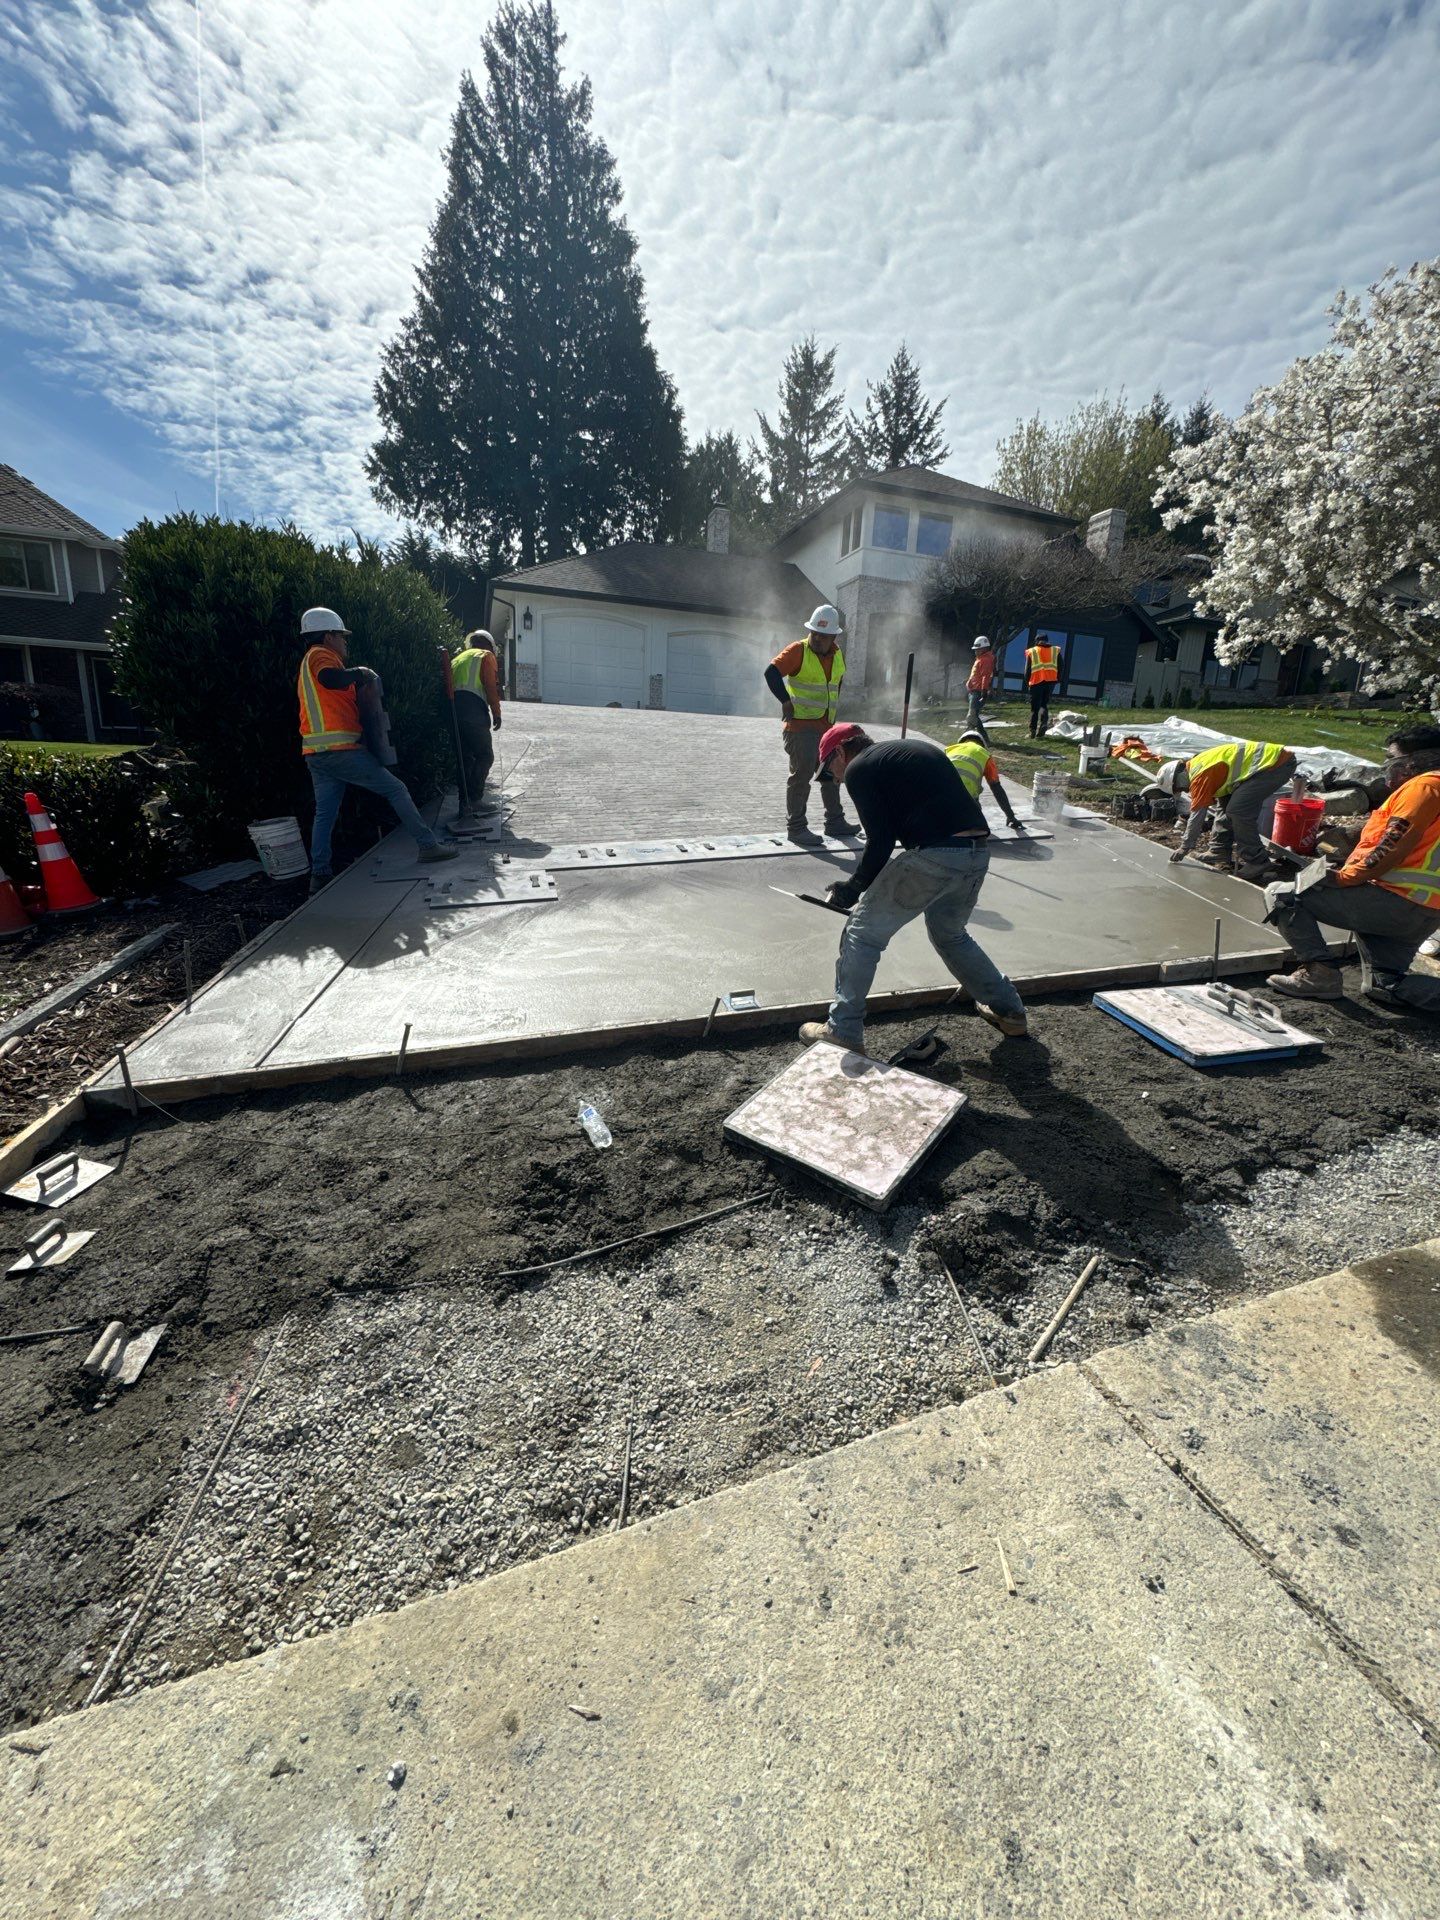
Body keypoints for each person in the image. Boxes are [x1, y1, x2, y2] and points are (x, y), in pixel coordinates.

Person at [797, 721, 1028, 1052]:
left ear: (839, 752)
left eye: (828, 771)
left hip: (935, 855)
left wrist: (853, 887)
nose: (833, 779)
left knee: (861, 933)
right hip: (977, 854)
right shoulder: (910, 752)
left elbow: (881, 841)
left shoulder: (861, 767)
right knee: (951, 935)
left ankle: (842, 1030)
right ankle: (1011, 1011)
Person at [1266, 724, 1440, 1009]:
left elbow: (1395, 841)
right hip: (1425, 911)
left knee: (1282, 894)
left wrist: (1347, 877)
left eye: (1391, 760)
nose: (1386, 767)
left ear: (1414, 762)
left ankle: (1318, 975)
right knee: (1385, 986)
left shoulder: (1424, 786)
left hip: (1394, 901)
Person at [297, 607, 457, 888]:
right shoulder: (321, 655)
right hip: (339, 751)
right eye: (342, 637)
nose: (345, 643)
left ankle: (319, 875)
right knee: (396, 789)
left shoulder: (307, 663)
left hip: (317, 755)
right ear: (329, 635)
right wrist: (358, 672)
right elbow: (329, 678)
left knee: (325, 813)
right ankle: (428, 846)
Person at [765, 604, 857, 845]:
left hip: (826, 729)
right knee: (801, 776)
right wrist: (785, 701)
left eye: (822, 635)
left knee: (831, 773)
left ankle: (835, 822)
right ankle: (796, 828)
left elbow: (836, 685)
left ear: (834, 637)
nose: (816, 638)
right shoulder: (798, 650)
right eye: (814, 633)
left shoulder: (837, 655)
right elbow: (771, 672)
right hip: (800, 729)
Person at [1158, 738, 1296, 880]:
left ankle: (1257, 860)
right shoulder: (1198, 765)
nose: (1184, 790)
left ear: (1178, 775)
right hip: (1267, 764)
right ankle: (1219, 850)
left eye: (1180, 787)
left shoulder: (1199, 776)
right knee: (1224, 804)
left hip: (1276, 764)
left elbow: (1197, 816)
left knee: (1238, 811)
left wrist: (1185, 846)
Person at [451, 629, 503, 818]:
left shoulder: (457, 658)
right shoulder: (485, 655)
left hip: (453, 711)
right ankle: (475, 799)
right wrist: (496, 713)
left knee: (465, 759)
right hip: (473, 709)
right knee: (485, 755)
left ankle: (464, 805)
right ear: (489, 645)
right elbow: (490, 686)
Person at [945, 732, 1027, 833]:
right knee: (979, 829)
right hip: (966, 802)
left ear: (961, 741)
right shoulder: (984, 754)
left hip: (939, 800)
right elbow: (996, 788)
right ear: (982, 744)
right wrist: (1011, 816)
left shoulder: (949, 750)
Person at [1025, 634, 1061, 737]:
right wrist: (1057, 679)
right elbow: (1061, 666)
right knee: (1043, 704)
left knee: (1035, 708)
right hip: (1050, 682)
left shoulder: (1032, 651)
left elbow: (1027, 669)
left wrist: (1028, 682)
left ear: (1036, 641)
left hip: (1036, 682)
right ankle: (1044, 723)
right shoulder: (1055, 650)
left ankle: (1032, 731)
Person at [964, 636, 996, 739]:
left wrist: (984, 691)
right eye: (975, 649)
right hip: (974, 690)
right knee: (974, 715)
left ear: (984, 648)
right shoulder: (981, 659)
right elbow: (977, 675)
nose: (976, 651)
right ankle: (981, 736)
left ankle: (971, 734)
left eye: (978, 649)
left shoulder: (985, 660)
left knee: (972, 715)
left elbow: (985, 677)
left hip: (977, 692)